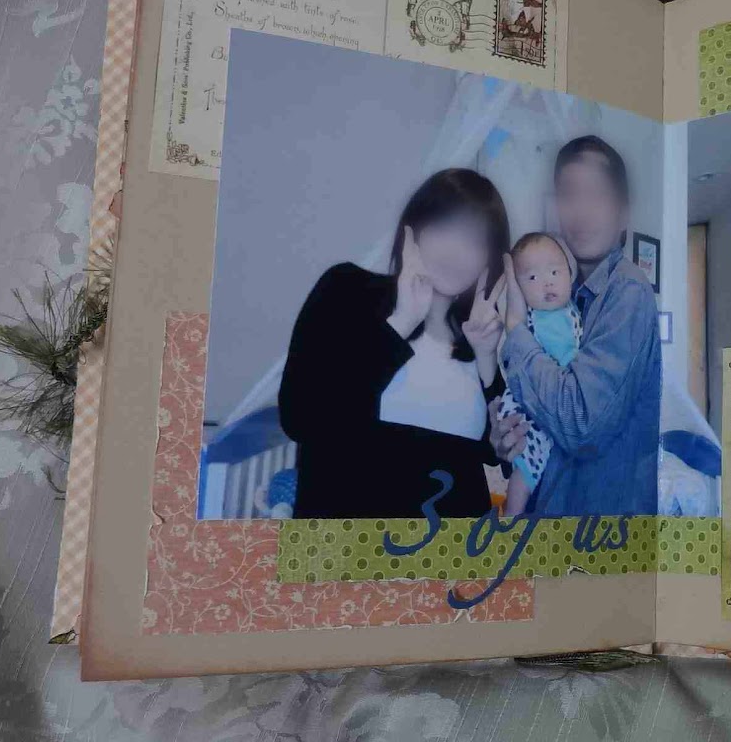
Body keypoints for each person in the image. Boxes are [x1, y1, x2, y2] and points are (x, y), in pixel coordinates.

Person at [278, 169, 510, 519]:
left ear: (488, 261)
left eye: (475, 240)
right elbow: (301, 417)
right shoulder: (346, 290)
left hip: (451, 548)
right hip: (348, 544)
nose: (455, 250)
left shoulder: (479, 340)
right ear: (412, 230)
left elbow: (494, 458)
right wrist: (400, 323)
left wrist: (487, 361)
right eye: (443, 228)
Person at [491, 136, 661, 518]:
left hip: (597, 529)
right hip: (548, 511)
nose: (581, 211)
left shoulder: (627, 291)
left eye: (597, 195)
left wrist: (515, 328)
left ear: (623, 213)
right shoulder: (561, 298)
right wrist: (509, 438)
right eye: (569, 194)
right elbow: (542, 416)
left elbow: (580, 424)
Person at [496, 232, 582, 518]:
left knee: (529, 469)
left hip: (548, 402)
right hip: (530, 409)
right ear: (520, 290)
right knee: (527, 467)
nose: (547, 283)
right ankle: (512, 518)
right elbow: (566, 361)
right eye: (532, 278)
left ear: (570, 274)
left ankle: (515, 517)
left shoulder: (569, 309)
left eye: (555, 272)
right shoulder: (546, 319)